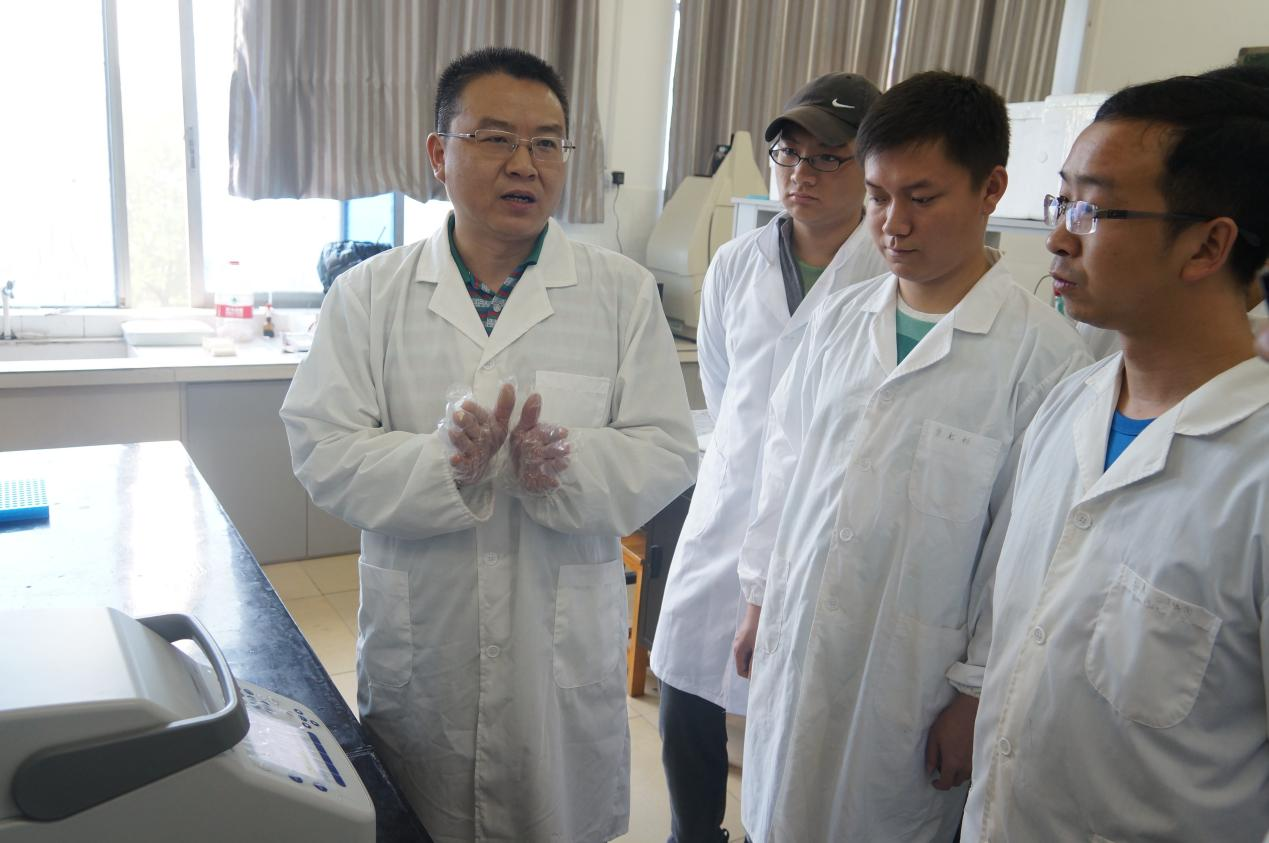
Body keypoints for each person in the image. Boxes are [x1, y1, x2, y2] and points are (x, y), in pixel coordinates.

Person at [280, 47, 698, 843]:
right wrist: (446, 464)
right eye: (496, 138)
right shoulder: (368, 297)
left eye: (546, 143)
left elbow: (666, 449)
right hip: (425, 639)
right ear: (439, 153)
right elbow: (322, 447)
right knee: (422, 815)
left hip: (557, 650)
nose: (524, 164)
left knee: (554, 816)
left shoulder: (620, 294)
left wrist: (563, 465)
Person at [729, 71, 1090, 842]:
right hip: (799, 630)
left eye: (921, 198)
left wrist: (974, 692)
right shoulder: (837, 321)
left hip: (914, 680)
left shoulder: (1042, 358)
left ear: (991, 188)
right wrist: (759, 595)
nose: (892, 224)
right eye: (876, 196)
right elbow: (783, 466)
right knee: (777, 812)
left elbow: (1022, 555)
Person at [962, 71, 1269, 842]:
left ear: (1207, 244)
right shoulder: (1069, 405)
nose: (1057, 237)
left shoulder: (1253, 477)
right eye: (1060, 201)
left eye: (1092, 210)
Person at [648, 71, 886, 843]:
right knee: (685, 681)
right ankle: (694, 832)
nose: (800, 173)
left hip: (822, 520)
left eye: (828, 157)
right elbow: (725, 388)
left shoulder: (890, 273)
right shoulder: (735, 262)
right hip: (728, 504)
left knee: (797, 703)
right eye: (788, 153)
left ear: (870, 166)